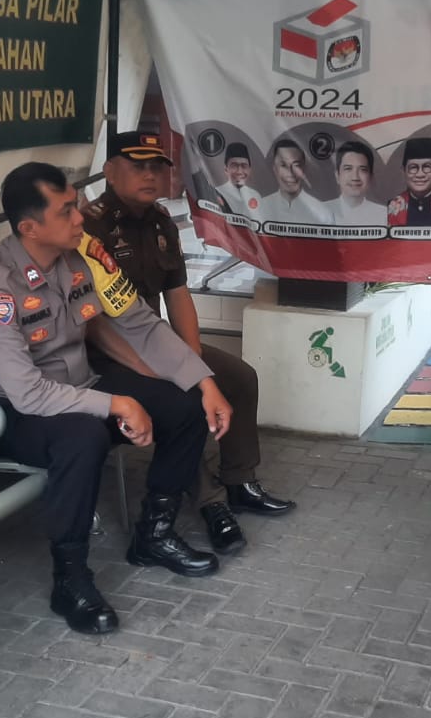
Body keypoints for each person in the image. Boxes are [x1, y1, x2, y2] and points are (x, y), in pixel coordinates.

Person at [0, 163, 235, 636]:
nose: (80, 218)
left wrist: (204, 382)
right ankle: (69, 579)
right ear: (30, 228)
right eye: (66, 211)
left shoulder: (80, 257)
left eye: (76, 205)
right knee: (83, 437)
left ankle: (153, 536)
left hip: (82, 386)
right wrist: (116, 405)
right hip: (16, 415)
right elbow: (26, 392)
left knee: (184, 406)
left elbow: (140, 322)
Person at [84, 131, 296, 554]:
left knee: (238, 376)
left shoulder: (161, 221)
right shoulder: (90, 227)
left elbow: (177, 295)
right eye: (137, 166)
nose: (149, 175)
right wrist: (174, 372)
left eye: (156, 167)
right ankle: (211, 504)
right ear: (109, 171)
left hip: (155, 341)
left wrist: (193, 356)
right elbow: (92, 322)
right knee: (184, 396)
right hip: (107, 353)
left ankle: (239, 481)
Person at [259, 138, 330, 224]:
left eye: (296, 165)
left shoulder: (320, 210)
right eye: (283, 165)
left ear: (304, 169)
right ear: (274, 168)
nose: (291, 173)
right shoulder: (262, 207)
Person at [326, 140, 387, 225]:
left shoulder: (384, 214)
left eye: (363, 170)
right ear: (337, 176)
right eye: (348, 169)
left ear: (371, 177)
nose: (355, 177)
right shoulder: (321, 210)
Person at [214, 143, 262, 216]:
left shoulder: (255, 195)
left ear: (249, 169)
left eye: (244, 166)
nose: (239, 171)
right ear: (226, 169)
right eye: (234, 166)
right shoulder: (217, 193)